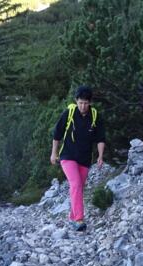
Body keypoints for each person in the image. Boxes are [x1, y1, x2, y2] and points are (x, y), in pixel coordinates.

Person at [50, 86, 106, 231]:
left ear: (90, 102)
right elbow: (57, 134)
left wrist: (100, 156)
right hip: (68, 156)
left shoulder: (94, 115)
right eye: (80, 102)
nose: (83, 106)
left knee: (79, 187)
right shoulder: (69, 113)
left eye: (86, 103)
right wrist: (53, 153)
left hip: (85, 158)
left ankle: (72, 216)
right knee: (75, 184)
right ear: (76, 101)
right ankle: (79, 219)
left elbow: (100, 138)